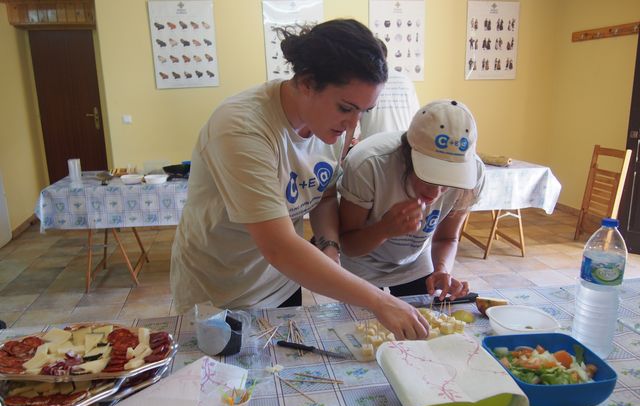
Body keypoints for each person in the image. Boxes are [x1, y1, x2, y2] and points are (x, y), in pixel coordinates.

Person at [170, 19, 430, 340]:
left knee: (280, 372)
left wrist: (330, 247)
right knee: (226, 384)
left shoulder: (330, 125)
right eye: (346, 108)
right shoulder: (241, 128)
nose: (353, 124)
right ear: (307, 83)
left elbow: (322, 193)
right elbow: (278, 246)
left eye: (364, 111)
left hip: (282, 280)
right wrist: (380, 300)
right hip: (222, 287)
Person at [338, 99, 485, 299]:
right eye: (429, 179)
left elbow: (447, 238)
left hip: (416, 261)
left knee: (421, 323)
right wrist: (383, 229)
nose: (435, 194)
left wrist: (441, 270)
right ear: (408, 156)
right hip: (362, 264)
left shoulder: (473, 175)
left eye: (447, 184)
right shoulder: (368, 164)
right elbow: (348, 244)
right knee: (362, 326)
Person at [357, 40, 420, 141]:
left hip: (372, 147)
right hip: (402, 145)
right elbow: (416, 118)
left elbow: (353, 122)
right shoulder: (405, 80)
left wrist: (343, 154)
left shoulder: (362, 81)